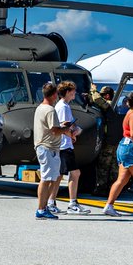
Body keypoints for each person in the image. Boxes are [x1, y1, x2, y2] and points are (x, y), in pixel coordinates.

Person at [52, 81, 89, 214]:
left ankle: (51, 202)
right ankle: (72, 203)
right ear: (67, 92)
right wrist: (72, 135)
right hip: (64, 144)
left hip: (62, 144)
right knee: (75, 173)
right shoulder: (63, 107)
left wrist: (75, 131)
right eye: (72, 91)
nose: (74, 94)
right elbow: (64, 125)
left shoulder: (63, 106)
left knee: (59, 174)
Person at [33, 82, 69, 219]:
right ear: (54, 95)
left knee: (51, 178)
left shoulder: (40, 108)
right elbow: (54, 131)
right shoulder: (50, 110)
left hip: (46, 147)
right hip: (48, 147)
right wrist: (66, 129)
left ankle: (44, 207)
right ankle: (41, 209)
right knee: (46, 178)